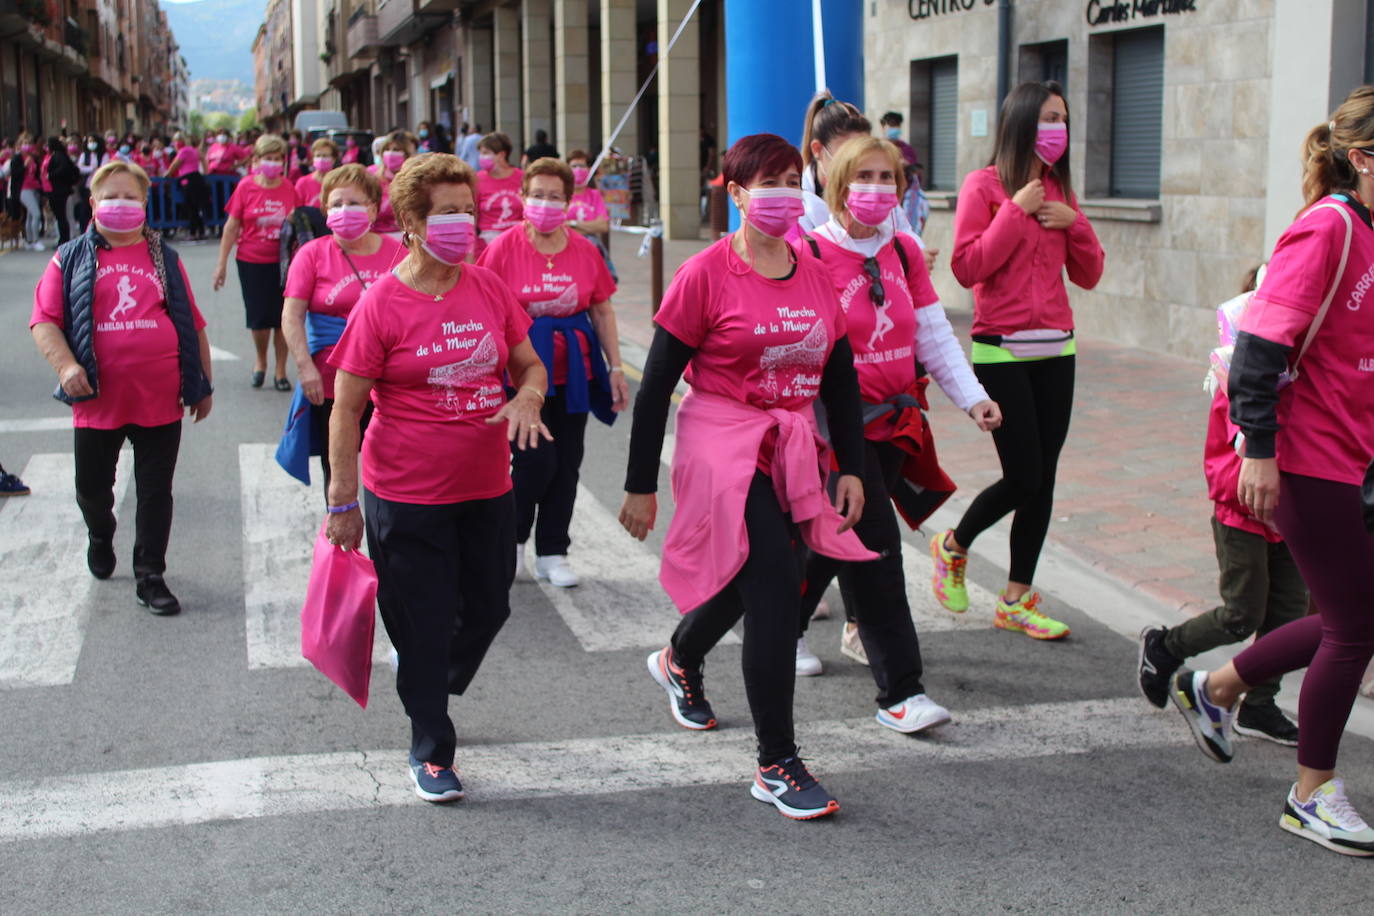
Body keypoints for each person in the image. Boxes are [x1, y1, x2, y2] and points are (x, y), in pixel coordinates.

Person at [619, 133, 871, 820]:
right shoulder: (705, 273)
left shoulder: (816, 270)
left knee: (752, 573)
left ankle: (678, 657)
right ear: (733, 193)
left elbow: (840, 380)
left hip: (789, 438)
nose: (785, 192)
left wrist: (849, 465)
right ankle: (776, 761)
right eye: (768, 181)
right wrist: (641, 483)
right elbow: (657, 385)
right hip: (722, 436)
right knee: (770, 587)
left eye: (794, 178)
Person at [1167, 88, 1374, 858]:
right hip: (1307, 455)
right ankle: (1312, 792)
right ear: (1361, 159)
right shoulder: (1327, 229)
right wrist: (1258, 448)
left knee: (1356, 617)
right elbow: (1261, 347)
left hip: (1356, 456)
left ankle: (1216, 688)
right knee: (1354, 628)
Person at [324, 153, 549, 803]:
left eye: (469, 210)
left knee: (490, 605)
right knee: (421, 621)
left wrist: (529, 395)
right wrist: (342, 500)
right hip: (405, 491)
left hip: (486, 486)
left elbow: (528, 365)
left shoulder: (487, 288)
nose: (464, 223)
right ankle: (430, 745)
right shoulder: (382, 304)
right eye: (447, 212)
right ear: (413, 223)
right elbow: (346, 407)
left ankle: (424, 674)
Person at [794, 136, 1001, 721]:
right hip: (836, 432)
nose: (880, 188)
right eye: (866, 176)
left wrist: (973, 398)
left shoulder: (904, 251)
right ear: (837, 185)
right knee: (879, 551)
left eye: (890, 177)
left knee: (839, 541)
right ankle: (901, 692)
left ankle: (772, 626)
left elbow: (931, 334)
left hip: (894, 425)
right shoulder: (807, 252)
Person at [930, 80, 1103, 640]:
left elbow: (1090, 274)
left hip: (1058, 350)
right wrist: (1014, 212)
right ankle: (953, 545)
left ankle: (1016, 597)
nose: (1058, 129)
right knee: (1024, 474)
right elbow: (966, 267)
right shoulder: (984, 187)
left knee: (1044, 479)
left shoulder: (1061, 192)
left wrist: (1072, 224)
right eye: (1050, 116)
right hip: (1000, 350)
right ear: (1024, 121)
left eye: (1064, 119)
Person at [29, 160, 213, 616]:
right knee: (92, 488)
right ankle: (99, 531)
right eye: (111, 196)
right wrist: (66, 366)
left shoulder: (163, 257)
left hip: (160, 394)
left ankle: (150, 574)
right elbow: (44, 322)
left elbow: (191, 322)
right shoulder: (69, 257)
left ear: (145, 204)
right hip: (97, 398)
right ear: (92, 204)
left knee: (156, 491)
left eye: (130, 196)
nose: (120, 204)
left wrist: (202, 383)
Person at [1136, 266, 1305, 747]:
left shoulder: (1307, 374)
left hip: (1289, 516)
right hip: (1243, 512)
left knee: (1288, 616)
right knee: (1242, 614)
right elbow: (1230, 454)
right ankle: (1165, 646)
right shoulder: (1240, 375)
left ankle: (1259, 705)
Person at [477, 157, 628, 586]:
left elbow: (601, 308)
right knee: (533, 462)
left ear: (569, 201)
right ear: (523, 197)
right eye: (537, 195)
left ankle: (553, 551)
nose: (545, 203)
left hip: (575, 374)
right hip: (521, 377)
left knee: (567, 463)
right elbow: (485, 310)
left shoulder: (584, 249)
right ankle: (512, 542)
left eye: (555, 197)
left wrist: (615, 366)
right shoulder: (503, 248)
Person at [277, 164, 404, 493]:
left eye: (354, 203)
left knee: (392, 469)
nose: (344, 211)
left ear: (374, 208)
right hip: (331, 380)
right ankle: (342, 535)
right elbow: (292, 316)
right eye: (336, 204)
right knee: (338, 471)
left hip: (391, 381)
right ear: (325, 210)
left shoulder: (399, 254)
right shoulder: (311, 255)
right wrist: (305, 368)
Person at [797, 92, 933, 272]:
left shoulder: (878, 194)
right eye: (846, 153)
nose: (856, 163)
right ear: (818, 150)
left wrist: (916, 256)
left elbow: (906, 236)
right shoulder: (799, 204)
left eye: (863, 152)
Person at [212, 134, 300, 391]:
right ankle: (261, 360)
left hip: (284, 263)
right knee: (259, 319)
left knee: (283, 317)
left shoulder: (289, 188)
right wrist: (221, 264)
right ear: (257, 160)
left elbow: (298, 227)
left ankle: (281, 369)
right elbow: (231, 227)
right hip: (251, 261)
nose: (273, 164)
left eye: (277, 159)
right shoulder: (246, 187)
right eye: (267, 159)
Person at [475, 132, 523, 254]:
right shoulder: (477, 180)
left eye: (486, 153)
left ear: (501, 155)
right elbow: (473, 215)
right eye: (480, 153)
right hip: (487, 245)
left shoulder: (522, 178)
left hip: (518, 242)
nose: (481, 157)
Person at [367, 132, 412, 237]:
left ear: (406, 153)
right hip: (375, 235)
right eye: (387, 149)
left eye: (396, 150)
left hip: (405, 237)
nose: (391, 154)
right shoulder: (370, 176)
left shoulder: (412, 179)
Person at [44, 137, 78, 245]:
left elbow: (63, 169)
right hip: (59, 190)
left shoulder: (58, 156)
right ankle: (63, 238)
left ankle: (64, 239)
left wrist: (51, 175)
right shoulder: (60, 155)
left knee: (61, 216)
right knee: (61, 216)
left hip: (59, 191)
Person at [16, 134, 44, 250]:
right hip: (24, 189)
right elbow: (15, 174)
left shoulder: (33, 158)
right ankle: (35, 240)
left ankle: (29, 240)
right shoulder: (17, 158)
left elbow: (37, 173)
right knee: (36, 213)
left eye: (29, 143)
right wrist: (24, 166)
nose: (27, 146)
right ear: (20, 145)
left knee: (30, 215)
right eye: (24, 143)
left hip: (34, 188)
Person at [294, 138, 338, 209]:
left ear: (333, 159)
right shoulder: (303, 183)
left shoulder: (340, 182)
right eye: (318, 155)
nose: (321, 159)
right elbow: (297, 211)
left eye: (325, 156)